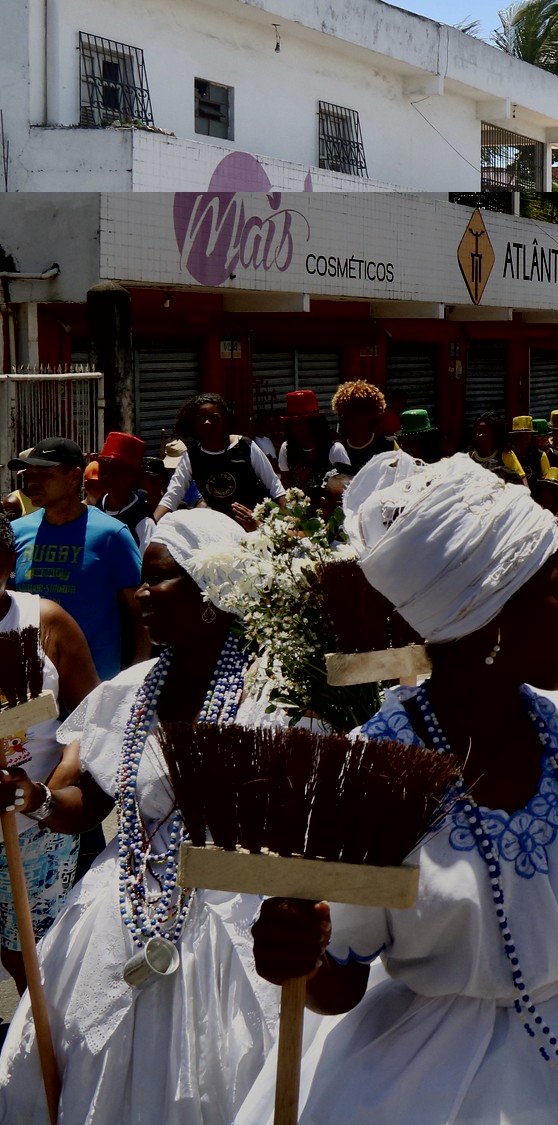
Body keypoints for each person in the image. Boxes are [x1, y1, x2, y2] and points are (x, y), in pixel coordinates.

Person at [243, 456, 558, 1125]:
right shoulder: (372, 778)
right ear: (488, 619)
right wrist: (298, 959)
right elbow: (339, 979)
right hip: (438, 1081)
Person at [0, 510, 283, 1124]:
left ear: (214, 592)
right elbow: (87, 804)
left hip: (233, 918)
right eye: (145, 581)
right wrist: (34, 799)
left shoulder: (275, 694)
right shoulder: (126, 693)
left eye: (159, 580)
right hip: (121, 904)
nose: (142, 595)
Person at [0, 520, 97, 995]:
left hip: (38, 825)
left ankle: (33, 1052)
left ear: (8, 564)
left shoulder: (47, 622)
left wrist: (52, 789)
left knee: (32, 961)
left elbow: (89, 717)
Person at [12, 438, 143, 683]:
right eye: (29, 474)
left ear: (74, 477)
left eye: (44, 473)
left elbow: (140, 615)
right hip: (32, 690)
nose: (32, 482)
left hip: (95, 689)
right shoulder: (16, 532)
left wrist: (135, 682)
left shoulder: (111, 535)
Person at [152, 394, 285, 525]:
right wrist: (152, 524)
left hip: (255, 525)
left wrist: (293, 522)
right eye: (201, 419)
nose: (207, 423)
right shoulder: (191, 457)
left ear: (225, 419)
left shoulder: (245, 446)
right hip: (221, 529)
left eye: (214, 418)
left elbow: (274, 486)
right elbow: (172, 496)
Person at [92, 430, 155, 550]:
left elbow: (145, 566)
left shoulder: (143, 522)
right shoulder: (96, 508)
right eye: (103, 466)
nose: (105, 474)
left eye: (114, 469)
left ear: (131, 476)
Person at [331, 379, 395, 473]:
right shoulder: (340, 450)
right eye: (349, 417)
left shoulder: (387, 445)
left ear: (370, 416)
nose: (354, 422)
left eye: (359, 417)